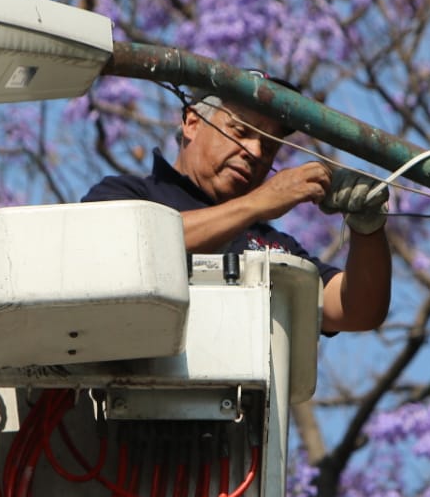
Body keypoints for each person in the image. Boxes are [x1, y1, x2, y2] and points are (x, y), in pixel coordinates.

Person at [82, 76, 391, 333]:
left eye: (269, 147)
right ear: (191, 122)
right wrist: (258, 203)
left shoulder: (275, 246)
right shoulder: (128, 194)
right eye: (241, 131)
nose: (255, 151)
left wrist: (367, 230)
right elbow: (126, 249)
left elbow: (356, 311)